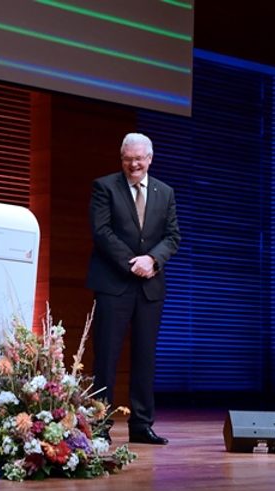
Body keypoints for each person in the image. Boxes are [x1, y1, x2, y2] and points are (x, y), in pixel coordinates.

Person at [87, 133, 181, 445]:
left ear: (150, 159)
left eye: (139, 158)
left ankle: (141, 425)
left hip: (150, 287)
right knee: (106, 358)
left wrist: (153, 259)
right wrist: (133, 262)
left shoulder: (164, 192)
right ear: (122, 158)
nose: (134, 164)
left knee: (145, 358)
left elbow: (173, 236)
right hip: (114, 284)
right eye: (128, 158)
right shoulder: (105, 186)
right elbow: (101, 232)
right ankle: (99, 426)